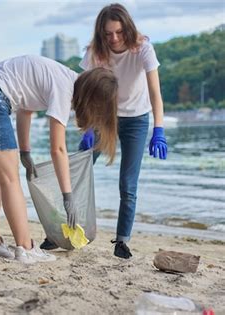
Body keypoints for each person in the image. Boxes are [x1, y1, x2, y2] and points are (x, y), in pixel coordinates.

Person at [0, 55, 118, 264]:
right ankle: (26, 248)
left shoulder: (62, 77)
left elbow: (25, 109)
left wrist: (25, 152)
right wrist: (68, 196)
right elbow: (58, 148)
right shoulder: (64, 88)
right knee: (10, 180)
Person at [41, 3, 168, 259]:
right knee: (75, 172)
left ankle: (122, 241)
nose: (114, 38)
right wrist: (88, 126)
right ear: (101, 33)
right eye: (108, 33)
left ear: (127, 29)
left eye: (119, 32)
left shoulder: (143, 48)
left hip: (136, 119)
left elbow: (155, 93)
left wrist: (159, 129)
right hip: (102, 118)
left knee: (127, 184)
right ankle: (58, 233)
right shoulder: (95, 52)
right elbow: (84, 92)